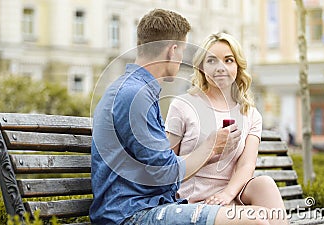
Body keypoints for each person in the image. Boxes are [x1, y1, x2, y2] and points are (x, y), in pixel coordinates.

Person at [90, 8, 278, 225]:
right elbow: (166, 173)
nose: (181, 60)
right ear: (173, 51)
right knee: (256, 220)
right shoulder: (135, 96)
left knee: (263, 209)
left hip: (143, 207)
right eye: (183, 52)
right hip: (129, 214)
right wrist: (211, 146)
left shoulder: (133, 90)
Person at [165, 32, 288, 224]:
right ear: (201, 67)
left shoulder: (250, 113)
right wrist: (208, 149)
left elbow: (247, 164)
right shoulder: (183, 105)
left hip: (231, 196)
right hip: (193, 201)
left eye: (228, 60)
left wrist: (227, 194)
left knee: (265, 184)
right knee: (261, 220)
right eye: (212, 61)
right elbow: (168, 165)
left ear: (237, 66)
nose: (220, 67)